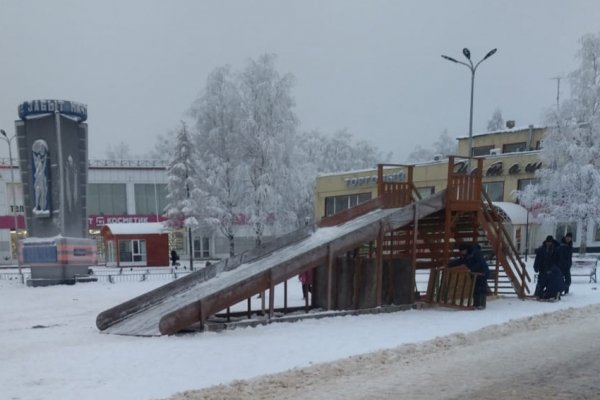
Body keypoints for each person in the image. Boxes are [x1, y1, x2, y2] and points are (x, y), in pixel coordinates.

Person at [448, 242, 490, 309]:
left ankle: (481, 304)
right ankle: (476, 304)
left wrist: (471, 269)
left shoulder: (476, 253)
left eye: (462, 251)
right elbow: (460, 261)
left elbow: (480, 263)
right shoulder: (467, 255)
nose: (462, 253)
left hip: (482, 272)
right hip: (474, 273)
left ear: (466, 249)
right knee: (475, 288)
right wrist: (449, 264)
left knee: (481, 288)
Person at [533, 235, 564, 300]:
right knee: (541, 283)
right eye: (548, 242)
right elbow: (538, 259)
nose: (549, 243)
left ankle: (552, 295)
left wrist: (554, 269)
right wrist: (536, 266)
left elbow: (558, 261)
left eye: (550, 242)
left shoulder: (556, 250)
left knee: (551, 284)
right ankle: (538, 294)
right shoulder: (541, 249)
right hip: (543, 269)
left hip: (552, 271)